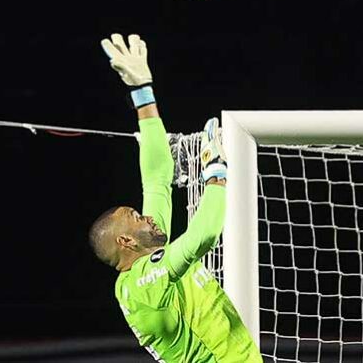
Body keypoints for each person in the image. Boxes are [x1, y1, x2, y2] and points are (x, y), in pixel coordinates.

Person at [88, 33, 263, 362]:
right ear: (126, 241)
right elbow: (204, 235)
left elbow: (156, 179)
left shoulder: (149, 259)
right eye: (137, 217)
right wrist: (215, 170)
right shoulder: (143, 286)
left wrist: (142, 92)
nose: (146, 216)